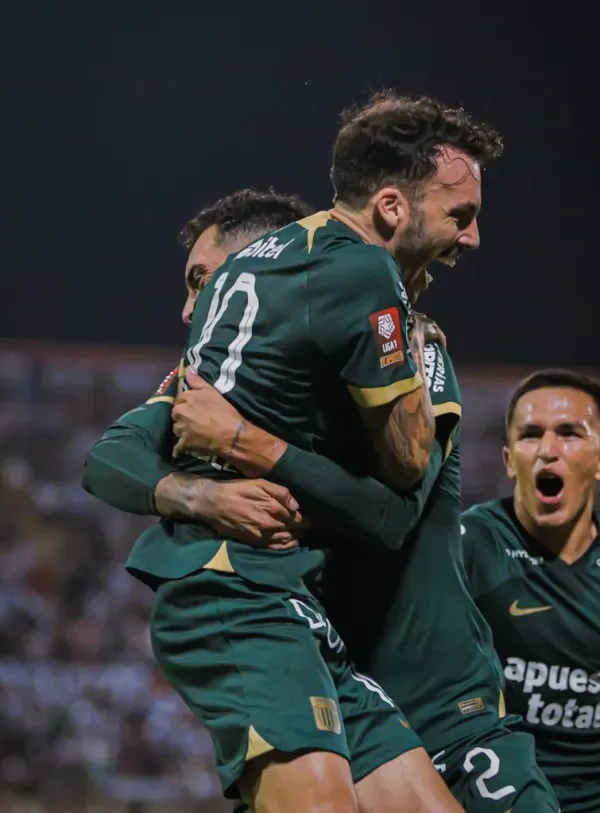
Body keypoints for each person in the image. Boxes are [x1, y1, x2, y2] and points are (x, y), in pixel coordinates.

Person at [84, 171, 475, 812]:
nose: (190, 310)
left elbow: (391, 517)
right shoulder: (214, 374)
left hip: (392, 655)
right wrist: (201, 497)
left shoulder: (409, 358)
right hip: (263, 602)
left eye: (202, 280)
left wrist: (247, 442)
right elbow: (110, 457)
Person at [460, 369, 600, 813]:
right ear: (509, 460)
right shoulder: (466, 546)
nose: (548, 451)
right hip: (494, 799)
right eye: (530, 435)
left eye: (569, 433)